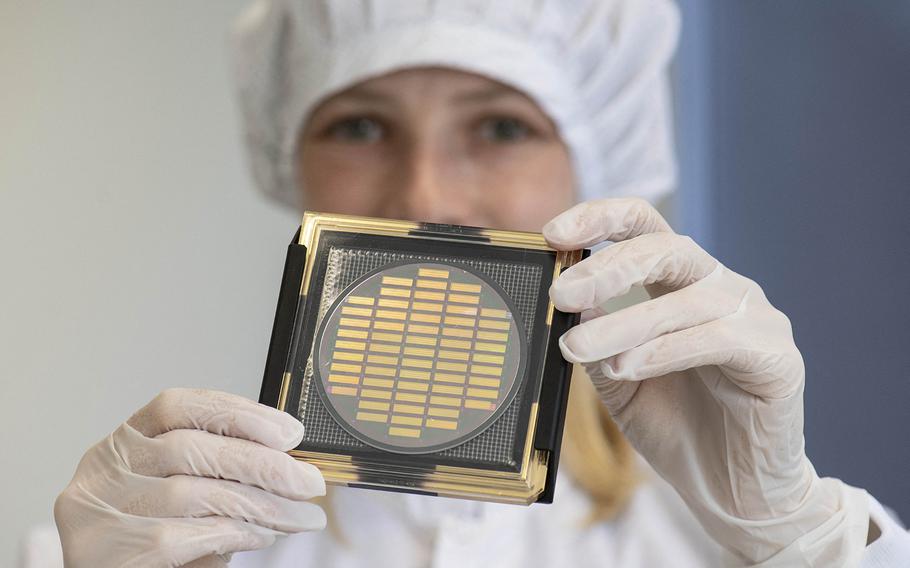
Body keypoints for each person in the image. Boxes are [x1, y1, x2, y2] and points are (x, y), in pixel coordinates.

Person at [50, 1, 910, 567]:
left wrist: (803, 536)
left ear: (594, 176)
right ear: (294, 168)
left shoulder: (718, 542)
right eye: (359, 125)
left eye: (503, 126)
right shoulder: (145, 533)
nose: (424, 194)